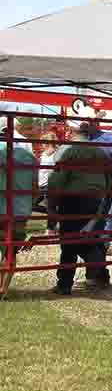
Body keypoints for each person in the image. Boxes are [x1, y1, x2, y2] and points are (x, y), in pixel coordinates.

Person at [46, 121, 112, 294]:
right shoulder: (102, 152)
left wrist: (52, 206)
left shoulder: (68, 151)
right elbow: (110, 177)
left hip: (73, 200)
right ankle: (100, 275)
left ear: (71, 132)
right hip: (96, 200)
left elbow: (56, 180)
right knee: (91, 237)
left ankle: (65, 284)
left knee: (69, 243)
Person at [0, 127, 38, 297]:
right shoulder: (29, 157)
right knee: (10, 251)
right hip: (20, 210)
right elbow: (35, 188)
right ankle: (4, 289)